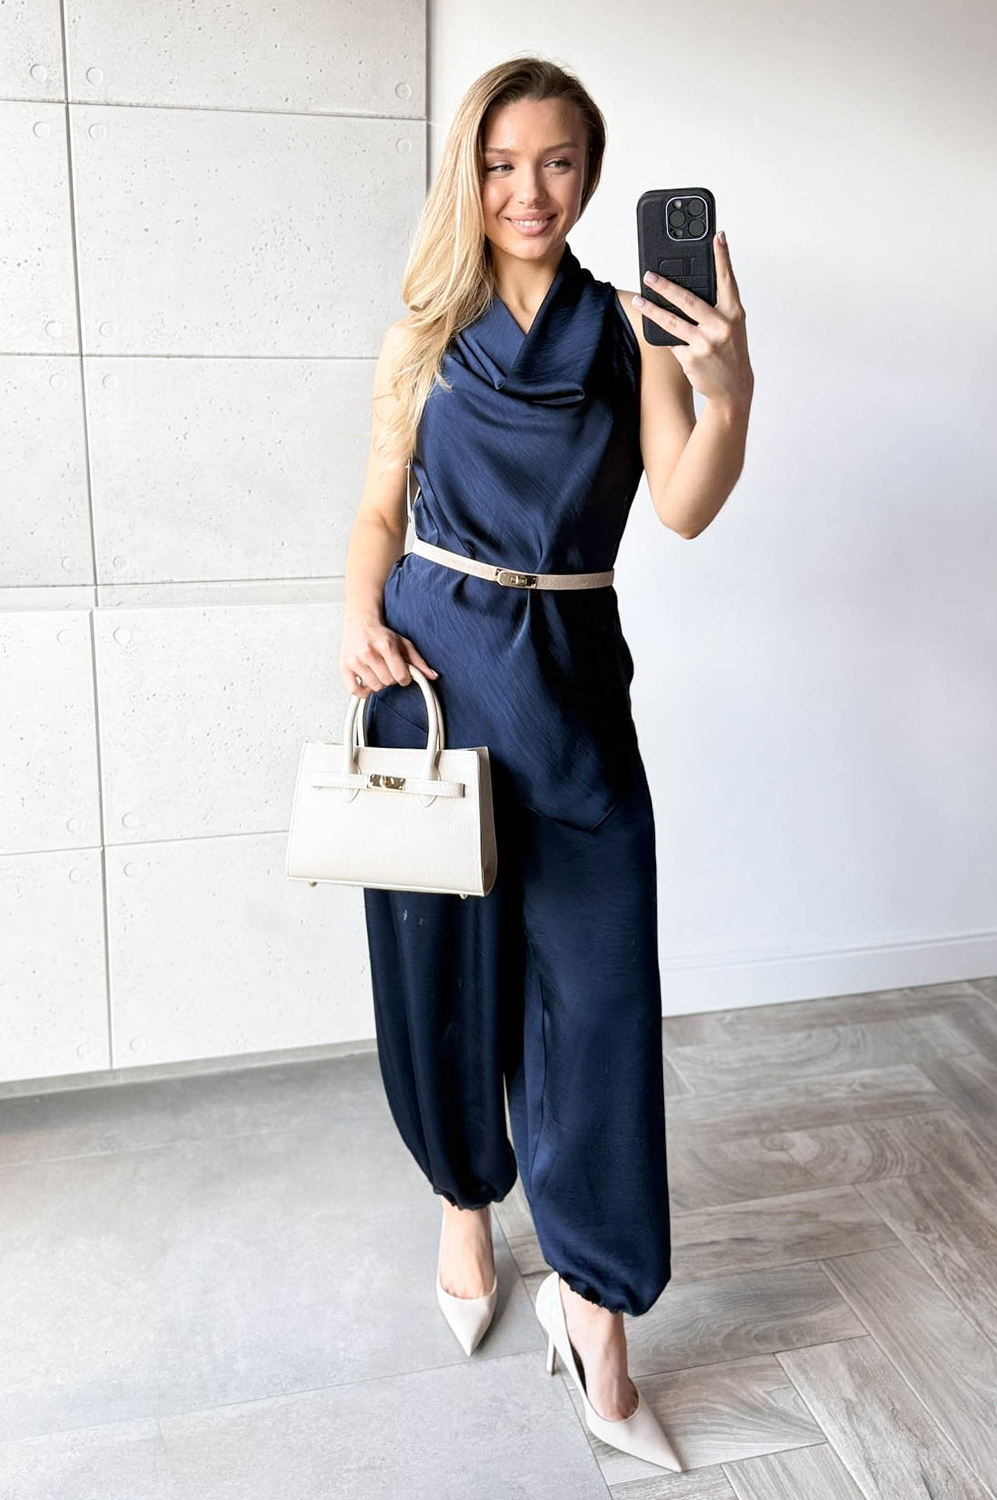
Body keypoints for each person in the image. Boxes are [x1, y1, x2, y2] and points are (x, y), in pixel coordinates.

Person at [339, 55, 753, 1470]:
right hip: (433, 677)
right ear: (470, 171)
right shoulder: (423, 328)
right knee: (441, 971)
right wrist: (354, 618)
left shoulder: (631, 325)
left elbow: (682, 504)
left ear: (590, 173)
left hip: (569, 686)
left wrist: (728, 387)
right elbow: (377, 509)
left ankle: (595, 1308)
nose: (529, 190)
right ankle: (466, 1205)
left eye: (558, 162)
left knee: (599, 999)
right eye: (502, 162)